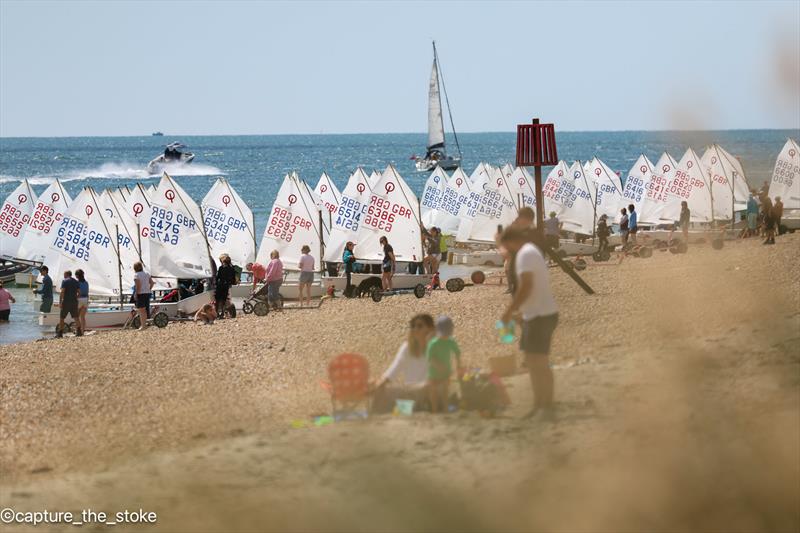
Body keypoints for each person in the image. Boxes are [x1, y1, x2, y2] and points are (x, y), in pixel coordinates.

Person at [499, 226, 559, 420]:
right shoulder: (531, 251)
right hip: (537, 314)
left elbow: (526, 285)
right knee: (535, 363)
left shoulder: (525, 254)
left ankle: (545, 406)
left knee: (538, 363)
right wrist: (522, 314)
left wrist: (509, 311)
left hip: (540, 316)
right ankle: (540, 404)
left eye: (503, 246)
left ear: (510, 242)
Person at [372, 314, 436, 413]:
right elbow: (395, 368)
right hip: (409, 390)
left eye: (419, 326)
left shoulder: (436, 347)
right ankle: (375, 419)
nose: (415, 329)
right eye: (413, 326)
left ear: (430, 328)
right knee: (381, 388)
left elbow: (439, 371)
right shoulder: (407, 348)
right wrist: (382, 382)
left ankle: (413, 409)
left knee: (428, 388)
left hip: (427, 389)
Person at [426, 315, 462, 414]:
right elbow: (429, 357)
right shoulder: (433, 343)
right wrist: (438, 365)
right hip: (433, 373)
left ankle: (446, 408)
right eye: (443, 334)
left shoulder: (451, 341)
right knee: (433, 392)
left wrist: (458, 365)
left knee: (445, 391)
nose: (445, 337)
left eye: (446, 334)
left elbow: (457, 352)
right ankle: (434, 410)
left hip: (446, 372)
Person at [56, 270, 82, 337]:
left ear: (67, 274)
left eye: (64, 274)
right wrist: (75, 298)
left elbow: (62, 292)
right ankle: (79, 332)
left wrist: (60, 302)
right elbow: (79, 293)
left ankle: (60, 333)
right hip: (74, 302)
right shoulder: (76, 282)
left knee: (62, 318)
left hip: (66, 302)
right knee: (76, 317)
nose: (64, 276)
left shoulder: (65, 281)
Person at [133, 261, 154, 331]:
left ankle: (143, 326)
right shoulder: (147, 274)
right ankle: (145, 325)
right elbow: (152, 283)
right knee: (145, 309)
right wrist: (149, 289)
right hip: (147, 293)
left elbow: (138, 285)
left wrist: (136, 293)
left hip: (141, 293)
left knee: (141, 310)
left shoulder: (136, 275)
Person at [75, 269, 89, 334]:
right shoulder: (86, 283)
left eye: (76, 275)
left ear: (78, 275)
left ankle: (78, 330)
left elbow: (77, 292)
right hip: (85, 299)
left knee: (76, 317)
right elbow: (87, 292)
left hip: (79, 299)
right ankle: (83, 331)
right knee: (82, 317)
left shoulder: (77, 283)